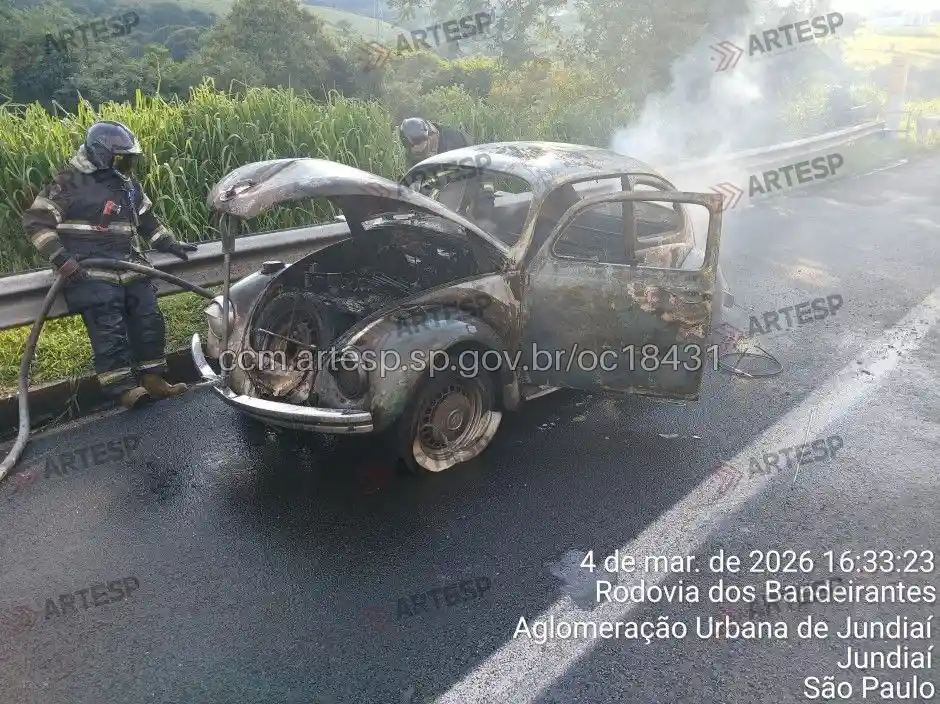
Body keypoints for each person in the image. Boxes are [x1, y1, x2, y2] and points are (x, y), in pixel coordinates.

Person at [22, 120, 198, 410]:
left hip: (130, 267)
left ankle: (153, 379)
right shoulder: (69, 182)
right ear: (101, 154)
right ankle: (124, 390)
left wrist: (167, 242)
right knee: (108, 329)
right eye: (121, 158)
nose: (126, 165)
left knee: (149, 319)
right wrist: (63, 261)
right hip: (88, 272)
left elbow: (147, 219)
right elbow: (37, 223)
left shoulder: (126, 184)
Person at [398, 117, 471, 168]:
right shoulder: (412, 156)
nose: (427, 154)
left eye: (426, 149)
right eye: (419, 153)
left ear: (433, 134)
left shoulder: (454, 138)